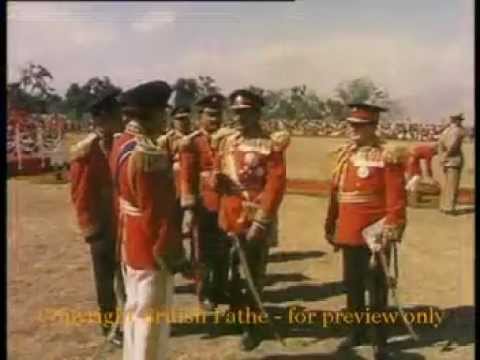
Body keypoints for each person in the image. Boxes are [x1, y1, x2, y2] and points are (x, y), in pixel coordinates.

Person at [111, 80, 188, 360]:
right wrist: (173, 254)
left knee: (134, 310)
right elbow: (159, 214)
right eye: (163, 113)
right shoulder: (149, 154)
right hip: (149, 246)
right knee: (151, 322)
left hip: (130, 238)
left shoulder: (122, 143)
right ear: (154, 114)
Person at [324, 103, 408, 360]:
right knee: (353, 285)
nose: (353, 130)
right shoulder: (344, 155)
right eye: (351, 125)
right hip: (349, 230)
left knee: (378, 287)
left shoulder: (387, 156)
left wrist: (391, 227)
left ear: (373, 127)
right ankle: (356, 331)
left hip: (375, 234)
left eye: (359, 126)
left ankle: (379, 338)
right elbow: (336, 194)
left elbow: (396, 196)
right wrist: (331, 222)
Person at [213, 89, 290, 350]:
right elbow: (218, 171)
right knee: (234, 272)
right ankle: (236, 316)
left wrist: (262, 220)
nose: (239, 118)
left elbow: (275, 185)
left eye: (245, 113)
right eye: (236, 112)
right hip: (231, 214)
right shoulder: (227, 141)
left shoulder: (270, 145)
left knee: (253, 274)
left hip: (255, 215)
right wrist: (215, 180)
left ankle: (253, 327)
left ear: (257, 114)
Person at [69, 89, 124, 346]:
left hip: (125, 223)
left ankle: (132, 321)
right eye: (110, 119)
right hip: (102, 226)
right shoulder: (86, 153)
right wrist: (88, 227)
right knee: (105, 279)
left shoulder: (124, 145)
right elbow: (80, 194)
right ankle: (110, 326)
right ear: (99, 121)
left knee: (128, 275)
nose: (116, 123)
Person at [179, 94, 231, 310]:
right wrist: (189, 207)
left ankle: (220, 287)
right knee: (202, 252)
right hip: (203, 205)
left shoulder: (229, 139)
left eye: (218, 114)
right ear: (199, 116)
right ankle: (205, 292)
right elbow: (186, 176)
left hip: (226, 202)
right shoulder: (192, 142)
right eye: (210, 115)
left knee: (224, 249)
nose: (214, 119)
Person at [437, 113, 466, 214]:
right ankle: (449, 207)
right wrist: (447, 155)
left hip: (446, 160)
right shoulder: (458, 131)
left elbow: (440, 144)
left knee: (446, 184)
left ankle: (443, 205)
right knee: (453, 185)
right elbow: (453, 146)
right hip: (454, 159)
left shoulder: (446, 131)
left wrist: (442, 157)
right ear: (457, 120)